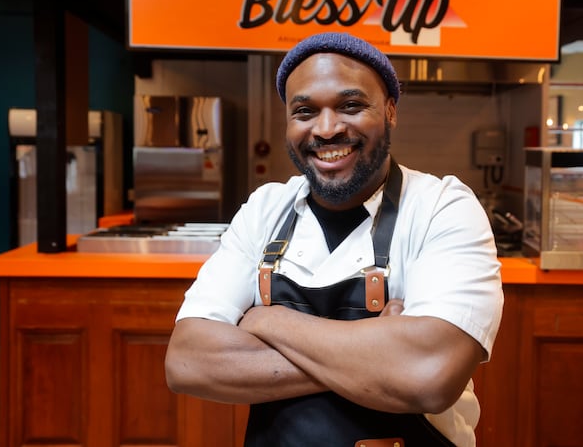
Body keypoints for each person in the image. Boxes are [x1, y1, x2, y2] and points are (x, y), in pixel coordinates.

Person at [165, 31, 504, 447]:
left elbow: (429, 377)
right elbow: (187, 362)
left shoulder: (441, 206)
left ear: (391, 111)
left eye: (350, 105)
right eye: (304, 111)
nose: (326, 129)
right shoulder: (265, 209)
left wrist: (267, 320)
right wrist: (379, 359)